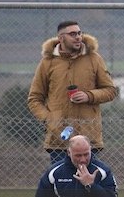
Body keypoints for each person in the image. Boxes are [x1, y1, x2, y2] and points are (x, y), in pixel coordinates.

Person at [28, 20, 117, 163]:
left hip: (88, 139)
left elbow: (110, 91)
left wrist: (89, 96)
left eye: (79, 33)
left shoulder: (94, 59)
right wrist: (49, 119)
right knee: (62, 183)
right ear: (61, 38)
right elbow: (34, 98)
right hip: (59, 139)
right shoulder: (47, 62)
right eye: (72, 34)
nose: (78, 37)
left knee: (88, 182)